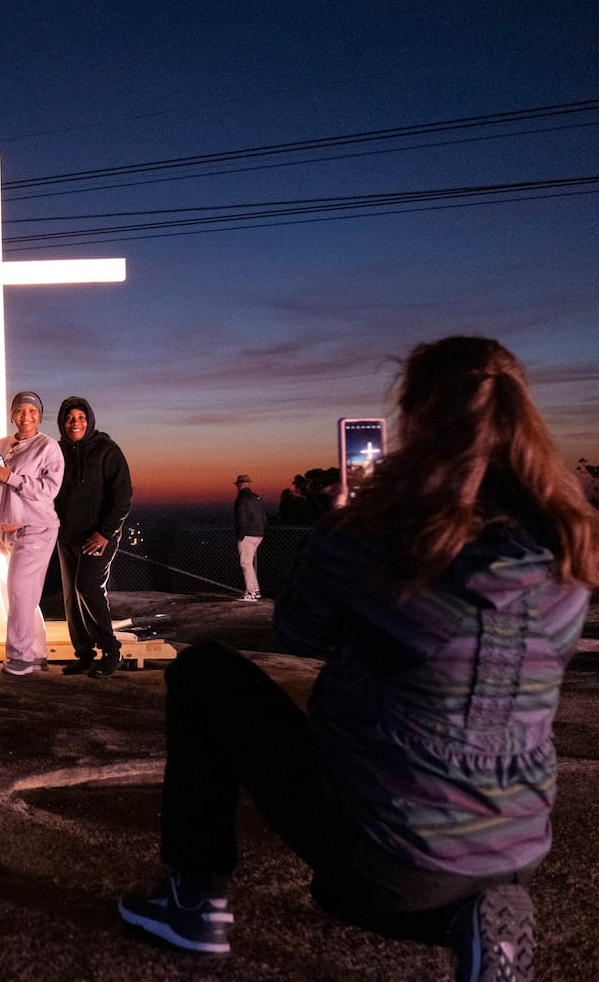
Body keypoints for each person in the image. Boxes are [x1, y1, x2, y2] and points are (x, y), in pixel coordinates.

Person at [118, 337, 599, 982]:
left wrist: (336, 531)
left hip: (389, 859)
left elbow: (297, 631)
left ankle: (192, 903)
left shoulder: (378, 534)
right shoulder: (568, 542)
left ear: (414, 419)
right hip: (516, 845)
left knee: (205, 672)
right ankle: (474, 914)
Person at [0, 391, 63, 675]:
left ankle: (20, 659)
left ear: (39, 415)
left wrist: (10, 477)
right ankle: (37, 653)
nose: (25, 416)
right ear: (12, 415)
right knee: (18, 596)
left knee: (19, 591)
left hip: (35, 528)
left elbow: (48, 490)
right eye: (20, 411)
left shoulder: (48, 447)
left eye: (32, 411)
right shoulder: (2, 444)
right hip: (3, 529)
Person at [52, 396, 132, 677]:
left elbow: (122, 496)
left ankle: (112, 650)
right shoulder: (57, 451)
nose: (76, 423)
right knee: (71, 597)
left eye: (81, 418)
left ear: (90, 420)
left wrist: (105, 533)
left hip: (97, 535)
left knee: (87, 587)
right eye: (70, 418)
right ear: (62, 422)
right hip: (67, 536)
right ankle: (84, 653)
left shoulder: (106, 450)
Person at [233, 473, 265, 600]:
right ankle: (255, 590)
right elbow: (264, 516)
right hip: (259, 533)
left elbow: (241, 518)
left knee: (245, 563)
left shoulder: (241, 499)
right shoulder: (256, 497)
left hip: (247, 534)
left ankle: (250, 593)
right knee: (249, 563)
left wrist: (240, 535)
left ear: (240, 485)